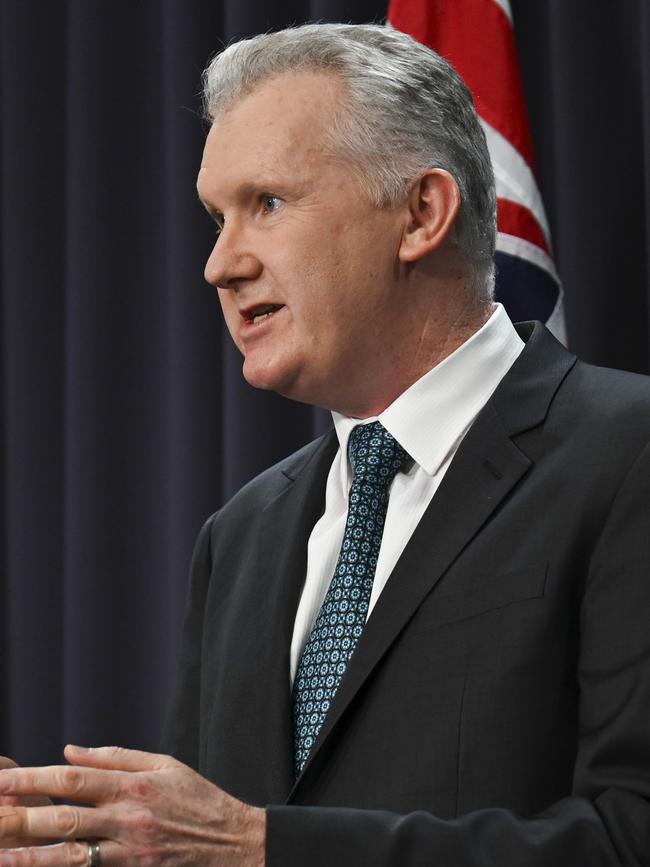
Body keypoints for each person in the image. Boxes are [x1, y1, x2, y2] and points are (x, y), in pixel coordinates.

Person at [1, 21, 649, 867]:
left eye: (266, 204)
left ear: (421, 213)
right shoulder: (241, 535)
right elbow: (205, 852)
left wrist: (266, 847)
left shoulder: (626, 454)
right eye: (214, 216)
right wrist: (72, 845)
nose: (218, 264)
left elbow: (631, 835)